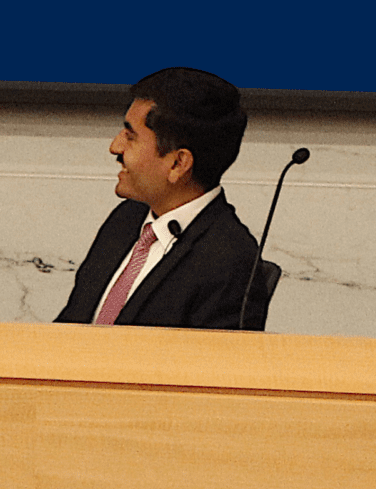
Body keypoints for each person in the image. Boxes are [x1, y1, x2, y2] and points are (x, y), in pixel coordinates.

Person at [55, 67, 267, 330]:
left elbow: (208, 367)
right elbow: (70, 324)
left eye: (130, 137)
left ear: (178, 163)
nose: (115, 147)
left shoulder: (230, 263)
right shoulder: (126, 218)